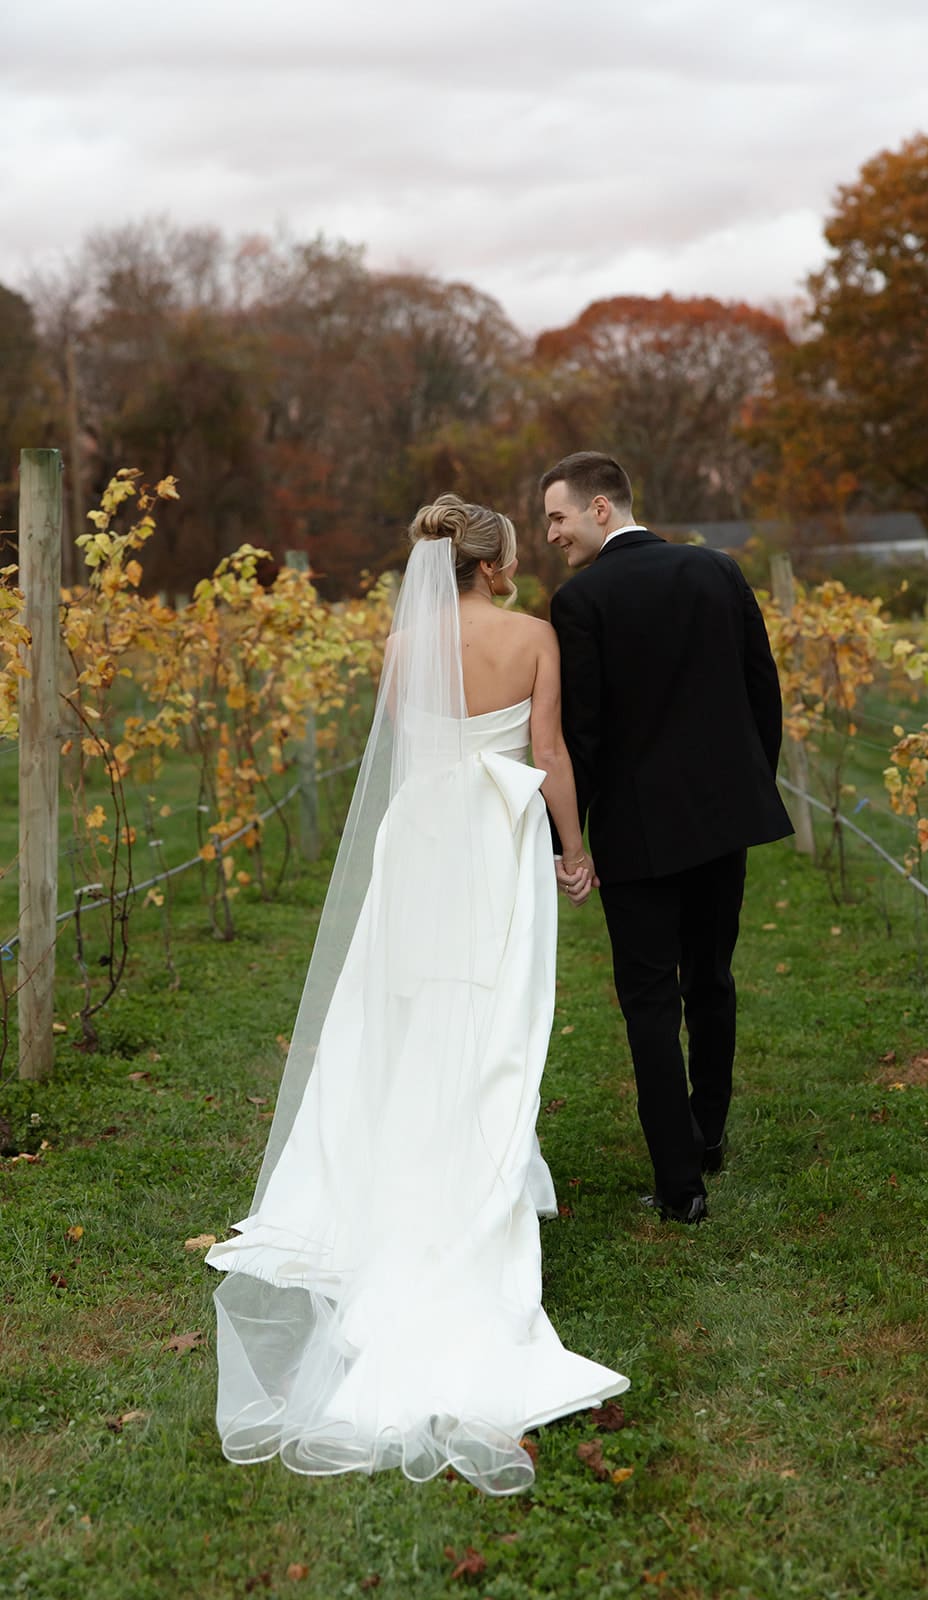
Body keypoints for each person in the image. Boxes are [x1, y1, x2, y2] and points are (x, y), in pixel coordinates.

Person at [206, 493, 627, 1495]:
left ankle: (412, 1174)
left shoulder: (403, 653)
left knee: (404, 1019)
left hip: (421, 844)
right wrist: (576, 853)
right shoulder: (532, 633)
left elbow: (407, 754)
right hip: (494, 843)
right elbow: (552, 754)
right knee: (492, 1020)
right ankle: (475, 1180)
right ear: (494, 564)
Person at [542, 452, 792, 1225]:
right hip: (724, 817)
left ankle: (681, 1184)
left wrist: (571, 838)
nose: (549, 534)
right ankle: (707, 1130)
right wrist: (746, 790)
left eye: (556, 516)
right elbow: (763, 692)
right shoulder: (718, 571)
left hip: (638, 833)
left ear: (600, 510)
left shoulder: (579, 602)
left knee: (648, 1000)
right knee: (710, 976)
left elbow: (580, 735)